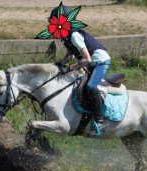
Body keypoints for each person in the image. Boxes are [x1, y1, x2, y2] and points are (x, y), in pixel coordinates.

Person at [37, 3, 111, 135]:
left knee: (90, 86)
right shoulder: (66, 36)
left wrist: (70, 68)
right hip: (91, 63)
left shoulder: (74, 35)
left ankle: (100, 120)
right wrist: (59, 64)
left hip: (100, 62)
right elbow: (70, 55)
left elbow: (87, 59)